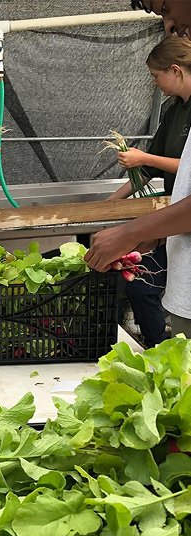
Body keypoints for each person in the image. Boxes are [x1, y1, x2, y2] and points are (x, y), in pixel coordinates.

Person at [86, 0, 191, 339]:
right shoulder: (175, 112)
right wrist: (111, 208)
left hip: (175, 226)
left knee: (143, 289)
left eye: (164, 8)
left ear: (175, 70)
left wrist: (128, 232)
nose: (170, 24)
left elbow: (153, 164)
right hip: (177, 236)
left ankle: (155, 345)